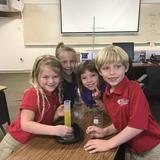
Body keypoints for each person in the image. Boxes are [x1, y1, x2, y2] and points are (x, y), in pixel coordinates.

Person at [84, 45, 160, 160]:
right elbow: (120, 122)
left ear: (126, 67)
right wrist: (105, 131)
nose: (112, 72)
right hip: (130, 148)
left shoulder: (134, 88)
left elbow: (137, 125)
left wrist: (108, 143)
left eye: (117, 66)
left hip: (151, 148)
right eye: (106, 68)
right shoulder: (106, 94)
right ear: (100, 71)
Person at [0, 55, 73, 160]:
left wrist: (56, 114)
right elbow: (26, 124)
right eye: (46, 77)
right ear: (36, 76)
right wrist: (55, 130)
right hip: (15, 144)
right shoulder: (32, 94)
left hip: (33, 142)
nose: (51, 81)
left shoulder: (52, 94)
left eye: (55, 76)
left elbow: (41, 121)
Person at [55, 42, 78, 107]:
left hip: (72, 111)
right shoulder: (56, 81)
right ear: (58, 62)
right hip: (60, 113)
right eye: (64, 62)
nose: (69, 65)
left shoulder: (76, 76)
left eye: (72, 61)